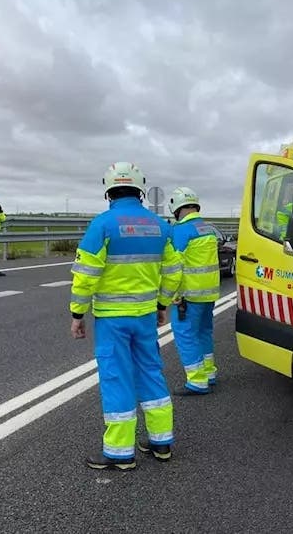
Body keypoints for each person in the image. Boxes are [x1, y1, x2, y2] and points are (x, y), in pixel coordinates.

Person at [69, 161, 183, 471]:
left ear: (108, 191)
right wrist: (162, 305)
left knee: (117, 377)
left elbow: (85, 275)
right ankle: (161, 443)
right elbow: (173, 272)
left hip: (111, 319)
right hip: (145, 316)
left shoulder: (102, 225)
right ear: (141, 191)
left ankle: (120, 453)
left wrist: (77, 313)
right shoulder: (161, 226)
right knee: (150, 371)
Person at [168, 186, 220, 395]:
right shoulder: (207, 228)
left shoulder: (181, 231)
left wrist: (172, 294)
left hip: (189, 295)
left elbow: (174, 266)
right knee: (204, 332)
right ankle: (209, 373)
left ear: (176, 208)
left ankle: (197, 381)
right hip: (210, 293)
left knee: (186, 335)